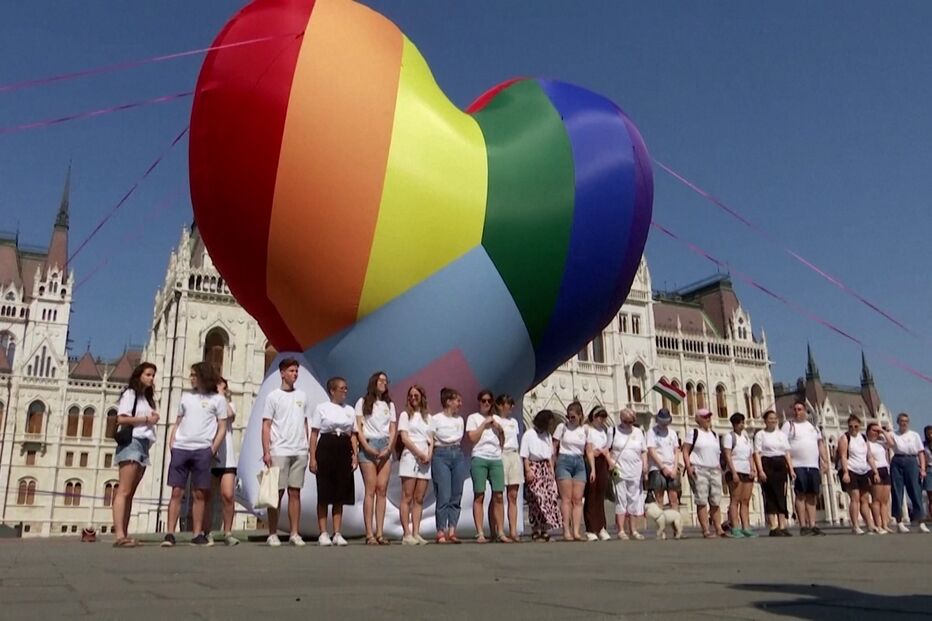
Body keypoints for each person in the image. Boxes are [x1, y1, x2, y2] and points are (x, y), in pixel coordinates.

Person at [162, 362, 227, 547]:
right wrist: (172, 442)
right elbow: (178, 421)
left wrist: (212, 449)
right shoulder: (186, 397)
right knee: (176, 492)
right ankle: (170, 534)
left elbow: (222, 427)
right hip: (181, 448)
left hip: (202, 450)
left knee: (200, 493)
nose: (191, 378)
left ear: (203, 376)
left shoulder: (218, 400)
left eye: (193, 375)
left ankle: (197, 534)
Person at [261, 358, 310, 547]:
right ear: (282, 373)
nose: (295, 374)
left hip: (299, 450)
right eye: (291, 371)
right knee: (276, 493)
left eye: (296, 371)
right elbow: (266, 425)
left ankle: (294, 533)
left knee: (295, 492)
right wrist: (266, 451)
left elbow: (305, 422)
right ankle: (272, 533)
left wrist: (307, 447)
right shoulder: (273, 397)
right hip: (279, 450)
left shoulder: (302, 396)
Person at [112, 362, 159, 548]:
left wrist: (152, 419)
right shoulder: (130, 394)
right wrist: (147, 419)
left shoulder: (146, 398)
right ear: (139, 375)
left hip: (143, 444)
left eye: (153, 375)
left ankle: (125, 533)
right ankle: (119, 535)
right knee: (124, 490)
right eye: (148, 374)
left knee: (130, 493)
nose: (151, 378)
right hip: (132, 442)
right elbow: (121, 418)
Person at [310, 377, 357, 547]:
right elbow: (314, 434)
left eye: (346, 388)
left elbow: (353, 434)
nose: (345, 391)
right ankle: (323, 532)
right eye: (342, 388)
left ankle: (337, 533)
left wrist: (354, 455)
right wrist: (312, 457)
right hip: (326, 446)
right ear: (332, 390)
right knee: (324, 491)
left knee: (340, 492)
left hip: (343, 447)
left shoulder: (350, 410)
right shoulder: (322, 408)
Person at [355, 371, 397, 545]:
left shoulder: (389, 404)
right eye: (381, 380)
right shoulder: (363, 402)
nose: (384, 383)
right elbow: (358, 427)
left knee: (382, 490)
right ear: (374, 382)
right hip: (369, 445)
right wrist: (366, 446)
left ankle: (380, 532)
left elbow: (393, 428)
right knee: (370, 490)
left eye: (386, 381)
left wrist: (389, 448)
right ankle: (369, 534)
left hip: (385, 446)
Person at [466, 389, 509, 543]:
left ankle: (500, 532)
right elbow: (472, 438)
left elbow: (503, 439)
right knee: (479, 495)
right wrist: (484, 425)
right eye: (483, 400)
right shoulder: (473, 418)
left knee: (499, 495)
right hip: (479, 457)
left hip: (495, 458)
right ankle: (480, 533)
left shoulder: (497, 419)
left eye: (489, 401)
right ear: (479, 402)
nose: (486, 403)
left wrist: (499, 429)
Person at [782, 401, 829, 536]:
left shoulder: (813, 427)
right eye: (795, 409)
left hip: (813, 465)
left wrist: (825, 461)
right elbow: (784, 446)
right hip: (797, 465)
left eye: (800, 409)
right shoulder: (788, 425)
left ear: (805, 411)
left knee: (812, 495)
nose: (797, 412)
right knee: (800, 495)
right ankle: (803, 525)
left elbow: (820, 444)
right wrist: (789, 466)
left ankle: (813, 525)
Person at [430, 387, 467, 544]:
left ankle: (452, 530)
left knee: (456, 494)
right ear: (448, 401)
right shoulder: (435, 419)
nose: (460, 404)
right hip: (441, 454)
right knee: (444, 494)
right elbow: (433, 437)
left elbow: (459, 436)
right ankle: (440, 530)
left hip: (457, 454)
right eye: (457, 401)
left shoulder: (459, 420)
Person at [205, 377, 239, 546]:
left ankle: (228, 532)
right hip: (209, 455)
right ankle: (206, 532)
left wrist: (221, 397)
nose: (222, 390)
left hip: (227, 459)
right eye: (219, 387)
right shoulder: (207, 406)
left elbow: (230, 415)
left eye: (224, 388)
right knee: (207, 496)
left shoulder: (229, 405)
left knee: (228, 495)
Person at [398, 385, 433, 545]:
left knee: (419, 498)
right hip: (410, 457)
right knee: (407, 496)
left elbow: (431, 439)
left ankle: (416, 533)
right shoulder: (405, 415)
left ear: (422, 397)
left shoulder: (428, 417)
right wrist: (419, 453)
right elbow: (404, 438)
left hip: (425, 459)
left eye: (416, 395)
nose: (413, 398)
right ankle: (406, 534)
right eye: (410, 396)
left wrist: (429, 454)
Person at [606, 408, 647, 540]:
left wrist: (645, 466)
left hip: (635, 470)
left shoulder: (639, 432)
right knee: (621, 499)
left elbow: (643, 451)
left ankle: (633, 530)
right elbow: (606, 450)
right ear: (621, 419)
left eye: (631, 422)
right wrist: (610, 462)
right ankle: (621, 530)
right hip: (619, 470)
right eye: (626, 421)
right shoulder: (613, 431)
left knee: (634, 499)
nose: (628, 424)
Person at [521, 410, 562, 542]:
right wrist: (528, 470)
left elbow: (550, 455)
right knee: (535, 500)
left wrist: (551, 471)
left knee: (548, 500)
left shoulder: (547, 435)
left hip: (545, 468)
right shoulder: (529, 434)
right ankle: (535, 529)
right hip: (534, 466)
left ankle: (544, 529)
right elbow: (525, 455)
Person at [683, 408, 725, 538]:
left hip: (714, 469)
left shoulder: (714, 434)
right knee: (701, 500)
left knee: (716, 500)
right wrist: (688, 466)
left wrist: (719, 466)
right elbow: (685, 450)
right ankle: (706, 529)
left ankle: (718, 528)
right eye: (704, 417)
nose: (708, 419)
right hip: (699, 468)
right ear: (698, 419)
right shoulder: (693, 433)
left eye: (709, 417)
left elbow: (717, 452)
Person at [753, 410, 795, 536]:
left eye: (775, 418)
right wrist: (760, 470)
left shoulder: (781, 434)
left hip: (780, 463)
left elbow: (787, 452)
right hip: (767, 463)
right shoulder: (760, 434)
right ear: (765, 421)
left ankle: (782, 525)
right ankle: (773, 526)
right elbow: (757, 453)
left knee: (781, 494)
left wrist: (791, 469)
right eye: (770, 418)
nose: (773, 420)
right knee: (770, 494)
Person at [886, 413, 928, 533]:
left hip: (911, 460)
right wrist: (885, 432)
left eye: (906, 421)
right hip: (897, 460)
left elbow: (920, 452)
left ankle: (920, 522)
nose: (904, 423)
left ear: (908, 422)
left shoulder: (914, 435)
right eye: (901, 421)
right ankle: (899, 522)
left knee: (915, 490)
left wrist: (922, 468)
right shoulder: (893, 434)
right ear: (898, 422)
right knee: (897, 491)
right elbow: (889, 444)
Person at [837, 415, 880, 535]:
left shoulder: (863, 438)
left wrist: (875, 471)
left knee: (865, 498)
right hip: (850, 469)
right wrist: (845, 472)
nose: (853, 429)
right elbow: (843, 456)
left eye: (856, 426)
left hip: (862, 470)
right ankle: (855, 526)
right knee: (855, 497)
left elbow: (869, 456)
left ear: (860, 426)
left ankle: (870, 525)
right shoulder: (845, 438)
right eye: (850, 426)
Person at [553, 401, 589, 541]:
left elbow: (589, 449)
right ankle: (566, 531)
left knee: (578, 499)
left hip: (579, 462)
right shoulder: (562, 427)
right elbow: (554, 446)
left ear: (580, 416)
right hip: (564, 460)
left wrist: (592, 468)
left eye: (573, 417)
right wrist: (552, 464)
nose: (570, 419)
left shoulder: (585, 430)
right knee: (566, 499)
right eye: (568, 416)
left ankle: (576, 531)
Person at [723, 412, 757, 538]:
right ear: (734, 424)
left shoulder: (746, 437)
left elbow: (750, 455)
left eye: (742, 422)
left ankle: (746, 527)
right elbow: (727, 455)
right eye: (739, 423)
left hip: (746, 470)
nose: (741, 425)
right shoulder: (729, 437)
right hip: (735, 470)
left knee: (745, 500)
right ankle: (735, 526)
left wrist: (752, 469)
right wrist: (733, 472)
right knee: (735, 499)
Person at [495, 394, 524, 542]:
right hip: (501, 455)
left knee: (513, 495)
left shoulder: (514, 421)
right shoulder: (495, 420)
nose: (511, 406)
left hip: (514, 454)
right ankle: (500, 531)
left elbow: (515, 438)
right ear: (500, 405)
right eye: (508, 404)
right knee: (499, 495)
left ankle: (513, 531)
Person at [583, 406, 612, 542]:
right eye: (600, 417)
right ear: (594, 417)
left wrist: (607, 456)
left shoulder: (603, 431)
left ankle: (601, 527)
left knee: (600, 495)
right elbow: (586, 447)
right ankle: (590, 528)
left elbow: (606, 447)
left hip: (602, 462)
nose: (602, 420)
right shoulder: (587, 429)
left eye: (604, 418)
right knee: (591, 494)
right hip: (591, 461)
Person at [646, 408, 682, 512]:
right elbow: (651, 450)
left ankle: (675, 519)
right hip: (657, 468)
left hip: (671, 467)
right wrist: (662, 467)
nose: (664, 424)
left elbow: (676, 451)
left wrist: (675, 468)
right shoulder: (652, 432)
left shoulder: (672, 433)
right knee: (659, 498)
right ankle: (660, 521)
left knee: (674, 497)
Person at [867, 422, 893, 534]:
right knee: (876, 500)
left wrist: (883, 431)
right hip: (874, 471)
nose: (876, 433)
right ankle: (878, 525)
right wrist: (875, 472)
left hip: (885, 470)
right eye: (874, 430)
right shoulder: (866, 443)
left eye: (877, 431)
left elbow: (891, 444)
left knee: (885, 500)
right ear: (868, 431)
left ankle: (885, 525)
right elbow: (870, 458)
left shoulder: (881, 443)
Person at [924, 426, 932, 532]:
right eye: (929, 433)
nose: (930, 435)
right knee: (930, 497)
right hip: (929, 469)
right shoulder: (924, 445)